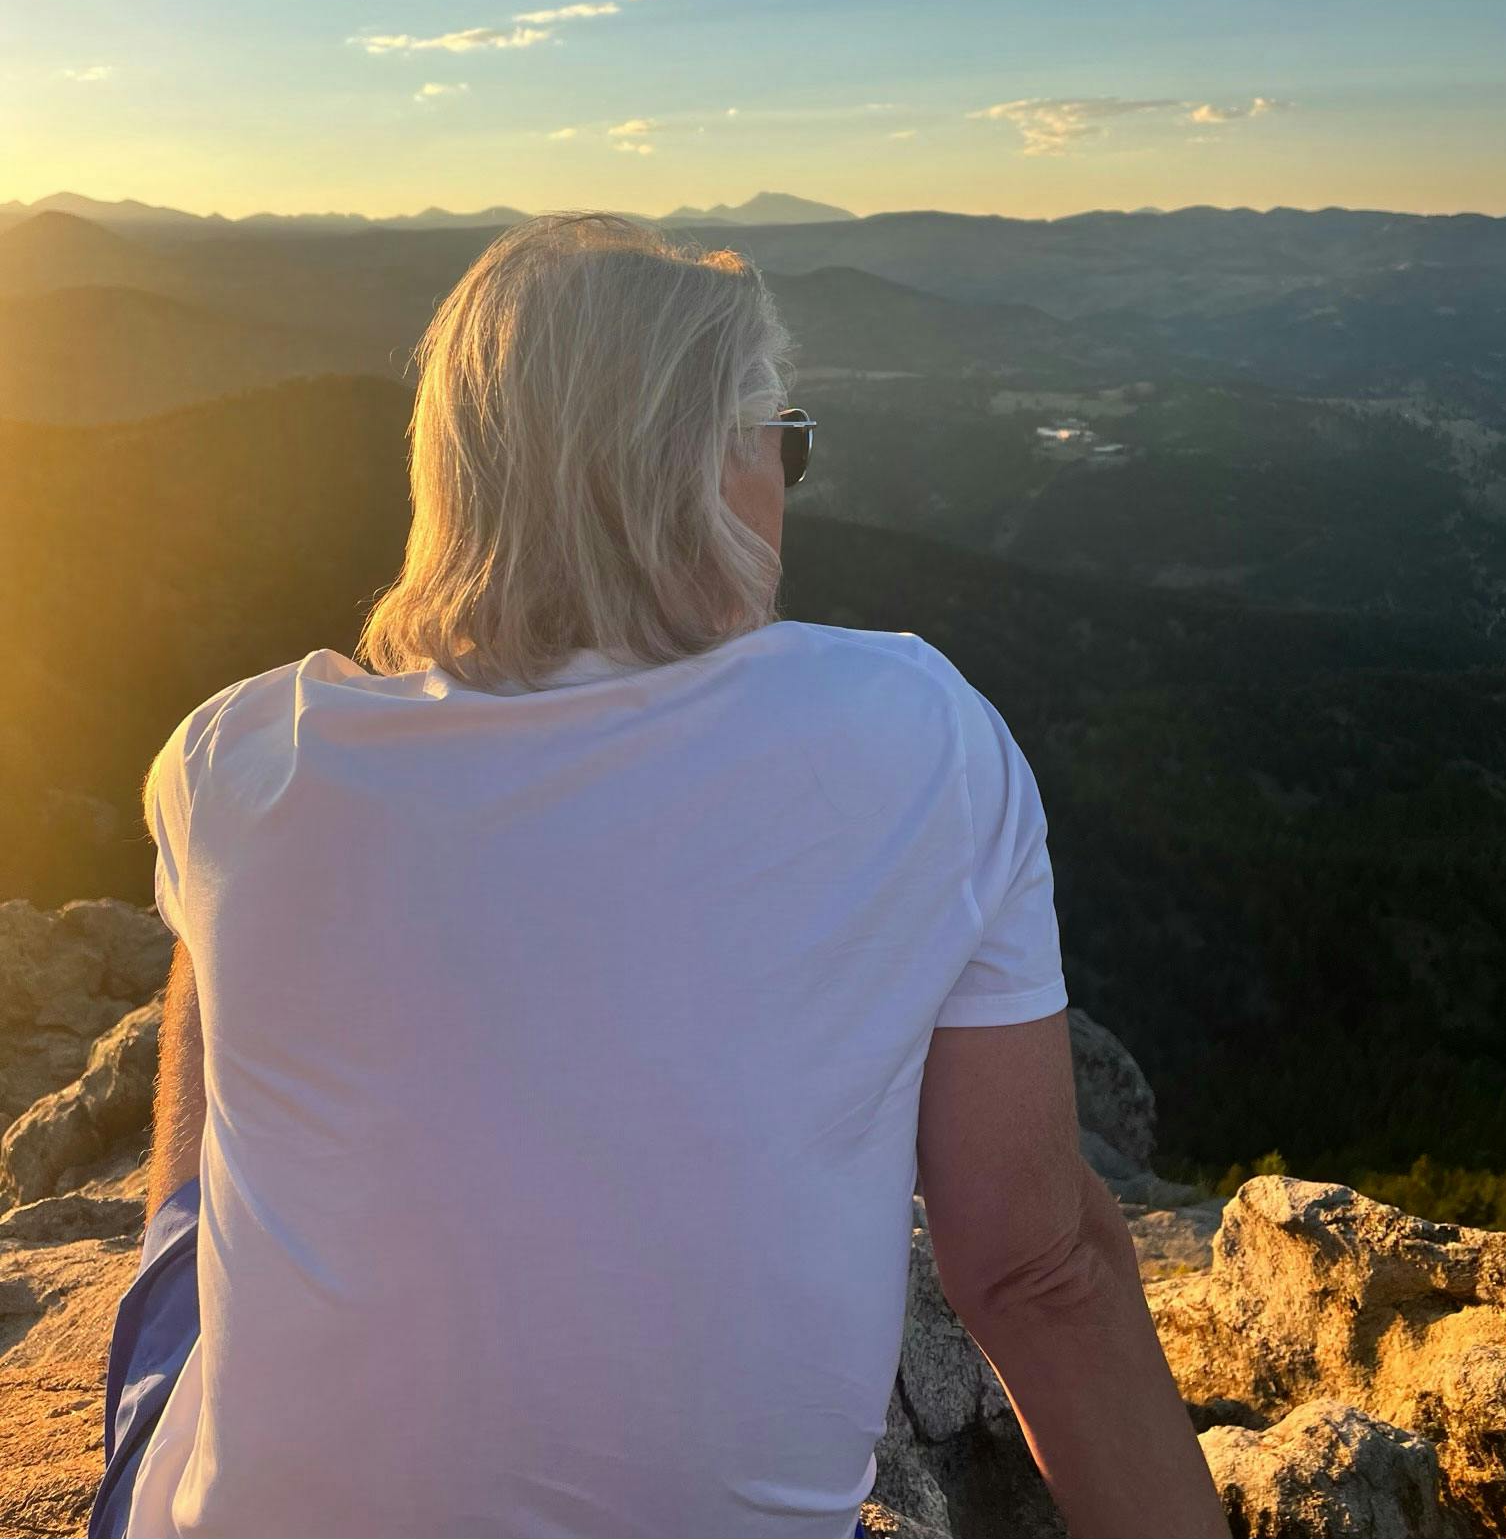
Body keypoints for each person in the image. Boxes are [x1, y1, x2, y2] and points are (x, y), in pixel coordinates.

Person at [90, 212, 1230, 1539]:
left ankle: (207, 1275)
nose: (788, 483)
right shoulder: (918, 738)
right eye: (782, 442)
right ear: (707, 467)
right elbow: (1039, 1267)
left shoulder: (241, 758)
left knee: (205, 948)